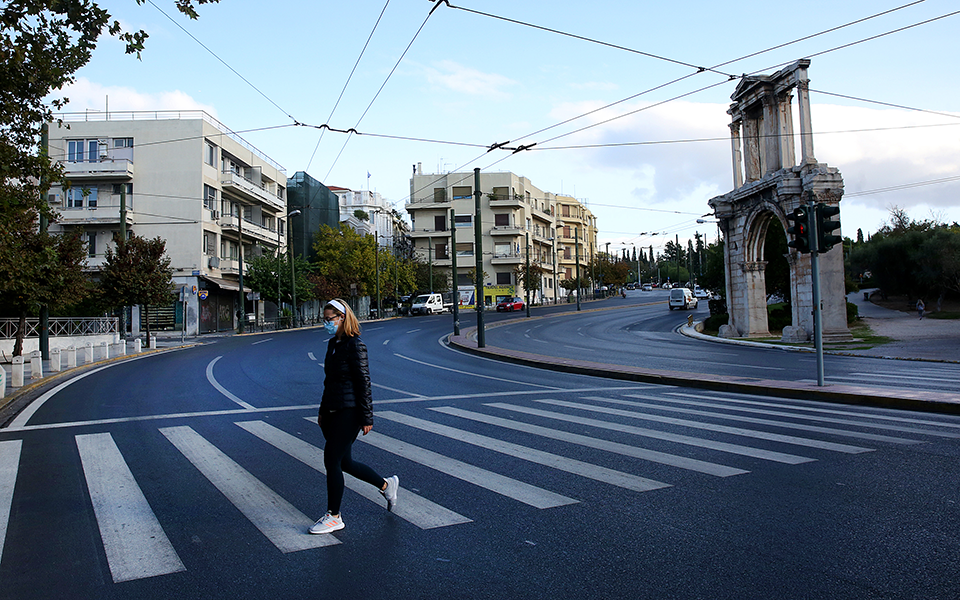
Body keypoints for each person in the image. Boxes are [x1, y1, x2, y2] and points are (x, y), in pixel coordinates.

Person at [309, 298, 399, 535]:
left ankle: (334, 516)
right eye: (324, 319)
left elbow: (363, 382)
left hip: (350, 412)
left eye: (330, 319)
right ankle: (386, 485)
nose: (327, 323)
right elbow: (329, 381)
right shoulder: (332, 344)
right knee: (345, 462)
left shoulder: (355, 345)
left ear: (342, 318)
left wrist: (367, 417)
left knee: (331, 461)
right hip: (331, 410)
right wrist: (321, 410)